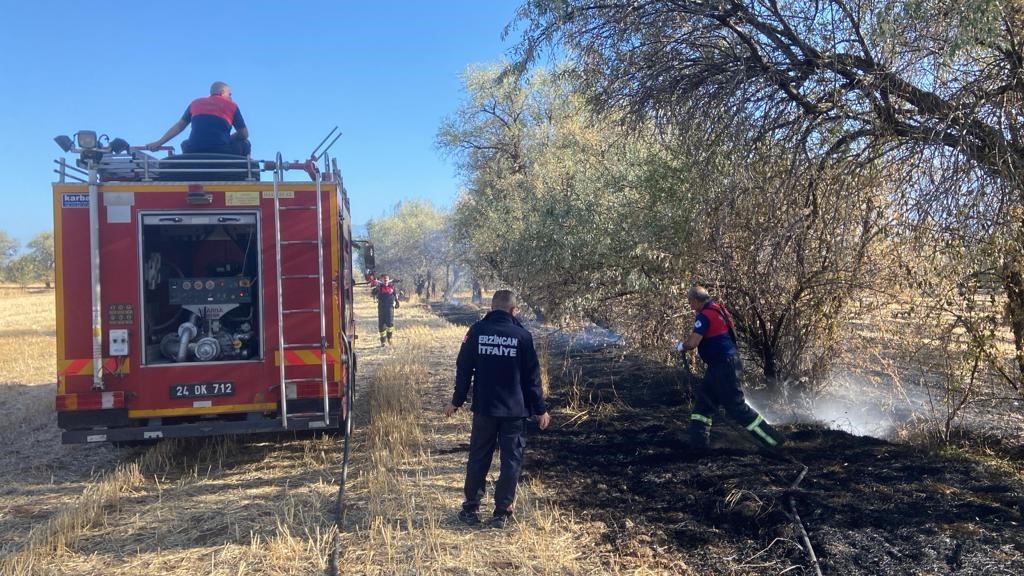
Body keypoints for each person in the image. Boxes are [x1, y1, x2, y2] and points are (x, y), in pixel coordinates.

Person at [444, 289, 551, 527]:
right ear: (514, 310)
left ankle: (470, 509)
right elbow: (532, 377)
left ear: (492, 308)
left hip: (484, 409)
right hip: (515, 411)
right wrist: (540, 409)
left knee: (478, 458)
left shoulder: (476, 332)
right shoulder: (522, 336)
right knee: (511, 461)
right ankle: (501, 513)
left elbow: (463, 369)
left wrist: (456, 401)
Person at [676, 285, 784, 453]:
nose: (690, 306)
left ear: (696, 301)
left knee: (736, 407)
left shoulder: (704, 316)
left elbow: (693, 343)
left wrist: (681, 346)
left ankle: (773, 440)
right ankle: (698, 446)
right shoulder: (719, 310)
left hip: (723, 367)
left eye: (690, 302)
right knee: (703, 405)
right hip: (723, 365)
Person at [146, 81, 251, 156]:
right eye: (229, 94)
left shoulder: (195, 103)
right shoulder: (231, 105)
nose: (230, 97)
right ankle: (245, 174)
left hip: (194, 150)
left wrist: (159, 142)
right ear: (222, 92)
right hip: (222, 150)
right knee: (246, 143)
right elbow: (244, 134)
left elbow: (179, 126)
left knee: (185, 143)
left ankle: (192, 166)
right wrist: (229, 138)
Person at [373, 273, 399, 346]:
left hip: (390, 308)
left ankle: (389, 338)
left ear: (388, 280)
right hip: (381, 308)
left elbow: (395, 295)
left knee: (390, 324)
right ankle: (383, 341)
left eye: (387, 279)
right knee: (381, 325)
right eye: (384, 279)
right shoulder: (379, 287)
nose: (385, 281)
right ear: (381, 280)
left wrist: (397, 302)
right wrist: (376, 287)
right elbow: (373, 293)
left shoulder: (392, 287)